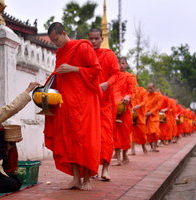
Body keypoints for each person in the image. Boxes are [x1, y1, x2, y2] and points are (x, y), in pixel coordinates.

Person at [44, 22, 102, 190]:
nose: (56, 44)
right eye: (53, 41)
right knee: (70, 140)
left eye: (56, 39)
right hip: (66, 103)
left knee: (85, 139)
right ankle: (76, 179)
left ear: (64, 33)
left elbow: (95, 70)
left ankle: (87, 180)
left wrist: (74, 69)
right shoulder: (60, 52)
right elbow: (58, 75)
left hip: (85, 102)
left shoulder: (82, 46)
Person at [88, 28, 119, 181]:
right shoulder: (85, 55)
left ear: (102, 39)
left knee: (106, 136)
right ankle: (92, 168)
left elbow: (116, 73)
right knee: (90, 137)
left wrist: (108, 83)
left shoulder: (109, 55)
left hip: (106, 103)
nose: (93, 42)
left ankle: (105, 169)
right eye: (91, 38)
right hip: (89, 103)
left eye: (96, 38)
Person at [112, 57, 133, 165]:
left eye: (123, 63)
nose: (121, 66)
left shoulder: (129, 77)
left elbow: (131, 91)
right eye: (119, 63)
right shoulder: (113, 76)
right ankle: (118, 158)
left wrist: (127, 97)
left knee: (125, 133)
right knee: (115, 134)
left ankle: (125, 156)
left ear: (127, 64)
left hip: (125, 108)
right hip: (114, 107)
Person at [144, 83, 162, 152]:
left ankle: (155, 147)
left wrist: (151, 112)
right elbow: (145, 104)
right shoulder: (146, 95)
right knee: (148, 133)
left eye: (151, 88)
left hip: (154, 116)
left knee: (155, 131)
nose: (150, 90)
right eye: (148, 88)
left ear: (154, 88)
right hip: (147, 116)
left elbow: (158, 106)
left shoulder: (158, 95)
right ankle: (151, 147)